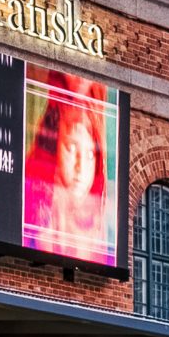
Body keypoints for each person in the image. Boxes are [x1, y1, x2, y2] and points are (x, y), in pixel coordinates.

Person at [23, 73, 112, 260]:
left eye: (89, 155)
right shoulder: (32, 197)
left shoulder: (105, 219)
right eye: (71, 148)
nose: (81, 167)